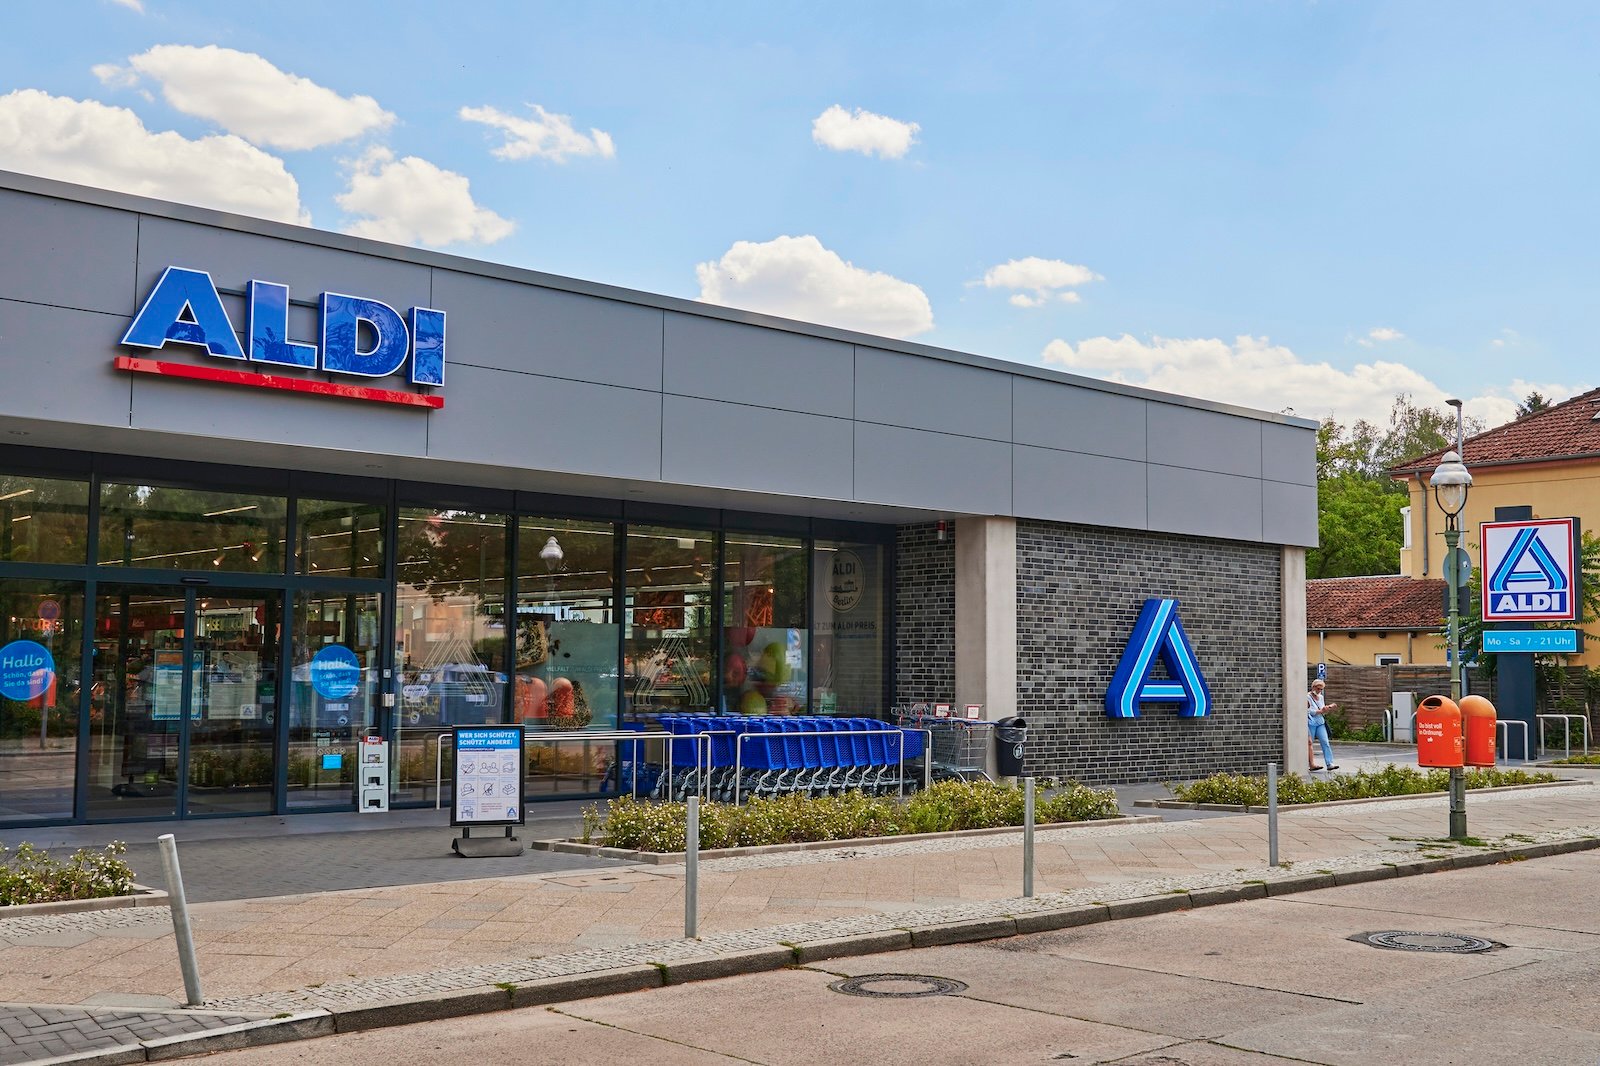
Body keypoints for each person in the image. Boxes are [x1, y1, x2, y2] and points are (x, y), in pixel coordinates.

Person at [1307, 679, 1339, 772]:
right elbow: (1308, 710)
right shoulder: (1307, 697)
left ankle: (1329, 763)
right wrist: (1319, 711)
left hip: (1320, 722)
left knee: (1325, 742)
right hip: (1311, 722)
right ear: (1313, 687)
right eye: (1318, 689)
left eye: (1321, 689)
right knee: (1309, 744)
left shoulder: (1320, 697)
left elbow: (1322, 708)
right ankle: (1310, 763)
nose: (1319, 691)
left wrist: (1326, 709)